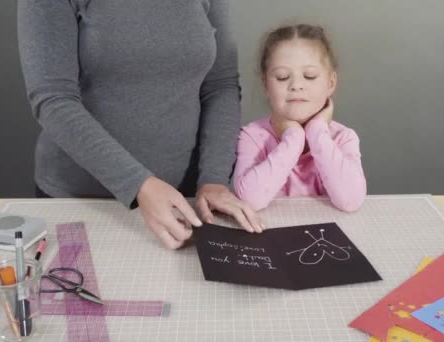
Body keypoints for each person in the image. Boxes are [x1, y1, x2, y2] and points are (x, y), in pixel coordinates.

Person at [17, 0, 263, 250]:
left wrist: (214, 179)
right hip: (83, 199)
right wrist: (139, 184)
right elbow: (53, 99)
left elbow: (220, 86)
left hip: (185, 200)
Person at [233, 24, 367, 212]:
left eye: (309, 76)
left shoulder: (343, 137)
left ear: (330, 83)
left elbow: (350, 201)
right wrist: (293, 138)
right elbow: (250, 201)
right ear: (266, 85)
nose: (296, 85)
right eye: (282, 77)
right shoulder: (252, 136)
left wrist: (317, 132)